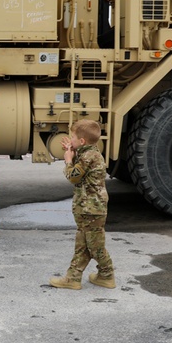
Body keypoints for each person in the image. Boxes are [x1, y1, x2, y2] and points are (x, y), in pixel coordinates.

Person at [49, 119, 116, 290]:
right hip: (89, 207)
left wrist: (68, 160)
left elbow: (73, 176)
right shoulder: (90, 153)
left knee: (95, 246)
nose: (70, 139)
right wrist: (72, 150)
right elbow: (82, 167)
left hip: (90, 208)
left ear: (82, 141)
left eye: (72, 137)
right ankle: (74, 278)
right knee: (83, 244)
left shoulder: (87, 157)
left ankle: (107, 274)